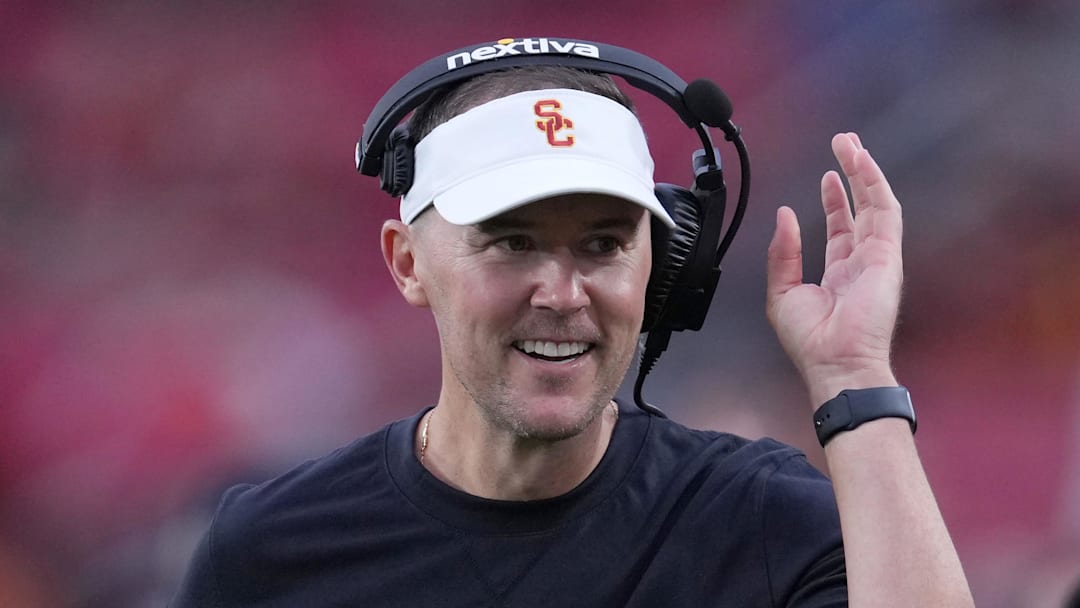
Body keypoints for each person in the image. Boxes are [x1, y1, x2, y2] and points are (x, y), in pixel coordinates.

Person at [172, 58, 974, 606]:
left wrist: (853, 376)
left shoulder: (758, 519)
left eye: (603, 244)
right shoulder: (272, 551)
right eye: (513, 242)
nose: (563, 293)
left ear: (661, 266)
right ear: (408, 263)